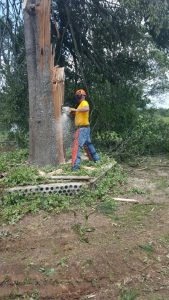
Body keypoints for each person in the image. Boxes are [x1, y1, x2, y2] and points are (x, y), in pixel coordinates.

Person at [70, 89, 100, 171]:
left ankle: (75, 168)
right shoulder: (80, 105)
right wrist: (73, 112)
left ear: (83, 96)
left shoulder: (84, 103)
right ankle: (97, 160)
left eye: (79, 95)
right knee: (89, 144)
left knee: (77, 146)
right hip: (86, 128)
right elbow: (80, 112)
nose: (78, 97)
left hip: (82, 128)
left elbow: (86, 108)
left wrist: (75, 110)